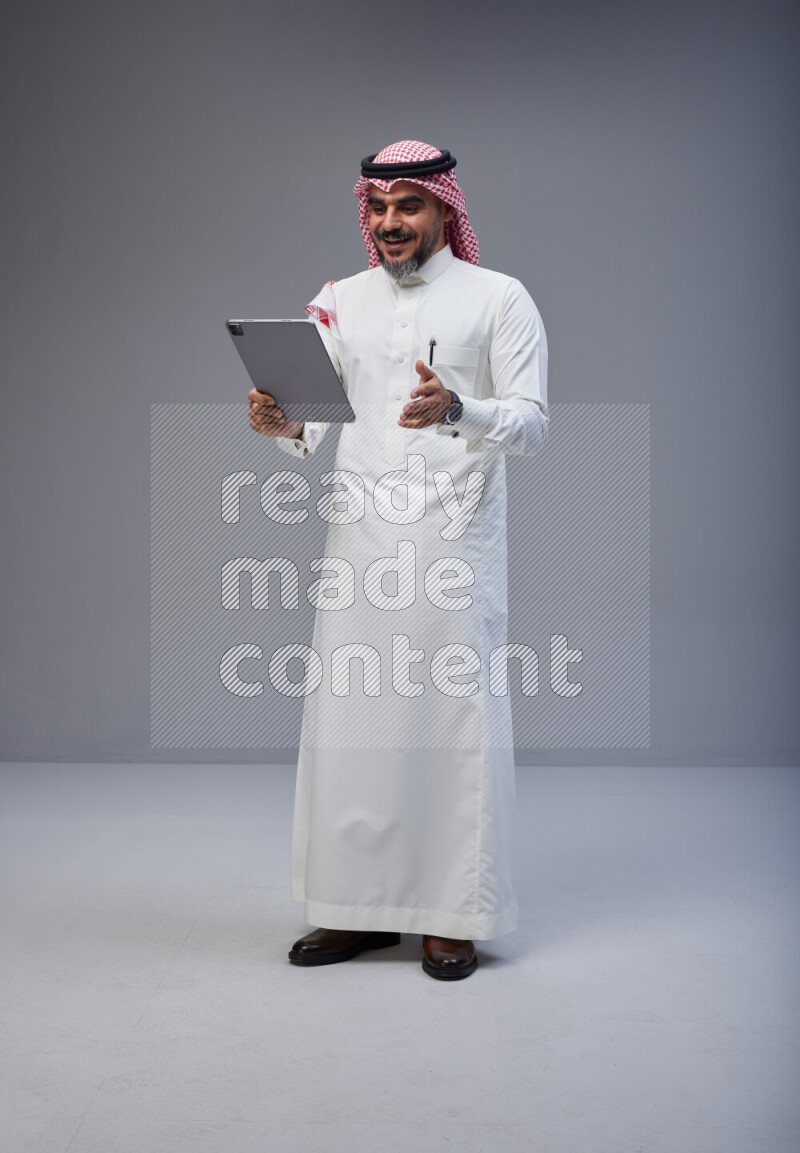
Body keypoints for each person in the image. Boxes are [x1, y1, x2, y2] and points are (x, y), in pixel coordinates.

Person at [248, 140, 549, 980]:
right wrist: (285, 426)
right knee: (355, 727)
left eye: (408, 205)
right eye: (378, 207)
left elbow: (532, 423)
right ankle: (353, 911)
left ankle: (454, 915)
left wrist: (458, 406)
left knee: (451, 726)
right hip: (360, 542)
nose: (390, 223)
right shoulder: (338, 301)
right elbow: (313, 415)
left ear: (445, 209)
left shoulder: (500, 298)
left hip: (454, 543)